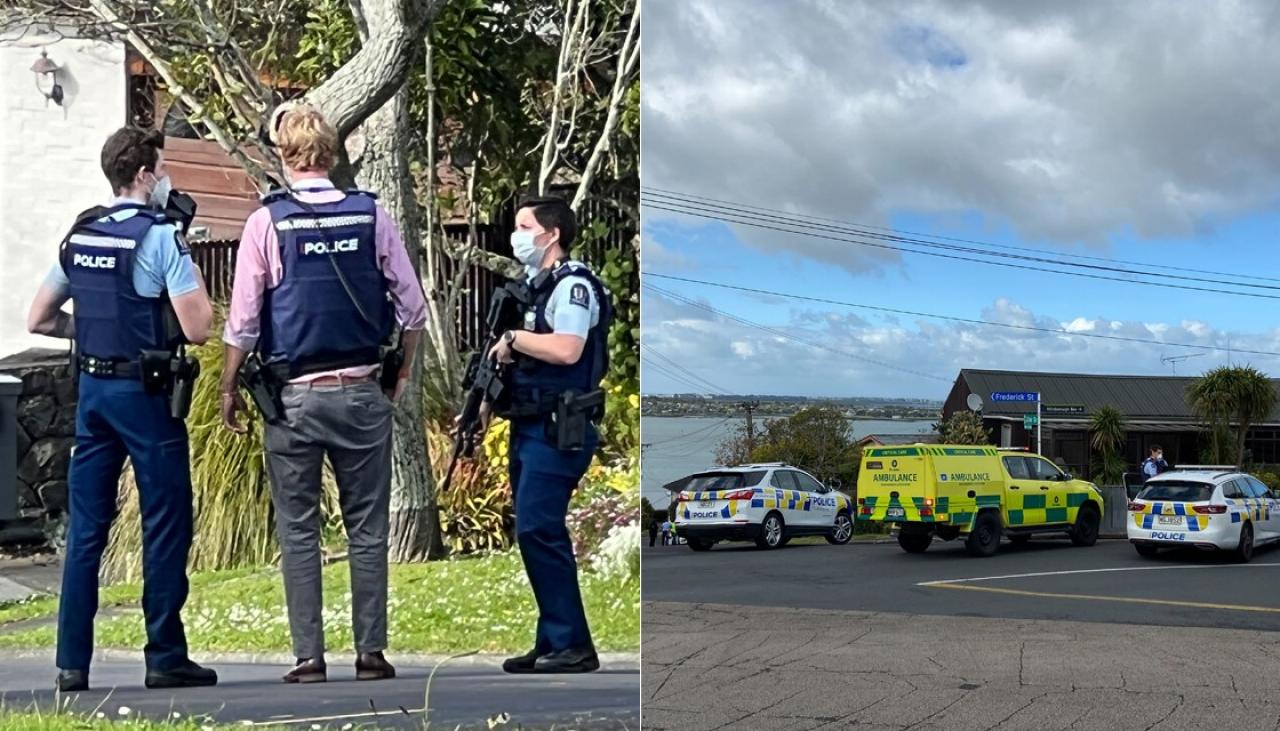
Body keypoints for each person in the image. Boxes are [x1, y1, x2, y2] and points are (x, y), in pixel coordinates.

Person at [220, 104, 427, 684]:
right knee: (367, 526)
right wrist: (402, 373)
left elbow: (244, 321)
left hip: (293, 399)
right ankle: (371, 652)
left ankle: (309, 657)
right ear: (331, 156)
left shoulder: (268, 223)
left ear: (285, 156)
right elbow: (413, 308)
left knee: (298, 526)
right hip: (363, 391)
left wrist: (230, 385)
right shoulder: (371, 215)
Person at [26, 127, 217, 692]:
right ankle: (164, 653)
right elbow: (199, 327)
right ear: (142, 175)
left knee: (86, 528)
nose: (163, 181)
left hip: (92, 395)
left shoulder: (81, 231)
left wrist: (93, 331)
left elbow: (38, 319)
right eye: (158, 170)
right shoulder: (160, 237)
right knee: (165, 521)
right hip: (145, 394)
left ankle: (70, 663)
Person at [479, 195, 613, 674]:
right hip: (532, 424)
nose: (516, 235)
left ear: (551, 233)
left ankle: (572, 644)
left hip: (560, 428)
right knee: (533, 531)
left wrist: (514, 339)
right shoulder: (537, 287)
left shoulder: (573, 285)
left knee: (540, 527)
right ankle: (554, 639)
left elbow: (568, 348)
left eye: (523, 225)